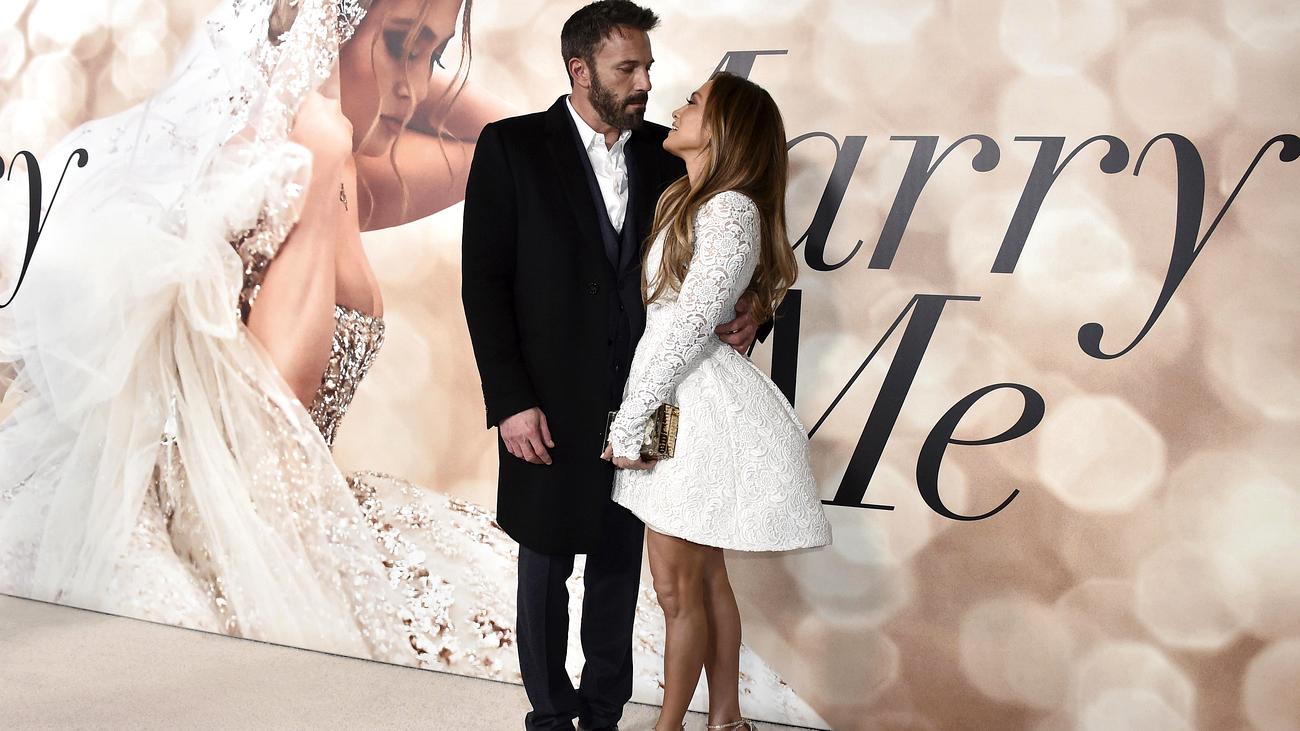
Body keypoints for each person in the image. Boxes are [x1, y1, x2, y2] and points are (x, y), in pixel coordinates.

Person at [459, 2, 763, 729]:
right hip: (545, 399)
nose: (645, 83)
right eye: (627, 69)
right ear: (580, 69)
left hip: (650, 398)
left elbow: (725, 251)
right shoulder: (511, 146)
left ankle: (602, 713)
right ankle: (549, 714)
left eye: (648, 68)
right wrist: (510, 400)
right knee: (544, 564)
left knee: (622, 563)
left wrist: (756, 307)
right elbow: (483, 283)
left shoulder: (670, 151)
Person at [602, 73, 833, 731]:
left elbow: (688, 323)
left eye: (694, 102)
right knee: (701, 581)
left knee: (679, 588)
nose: (676, 106)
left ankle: (670, 725)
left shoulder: (728, 209)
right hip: (680, 399)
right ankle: (726, 719)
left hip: (691, 409)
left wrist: (631, 419)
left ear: (725, 129)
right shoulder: (695, 197)